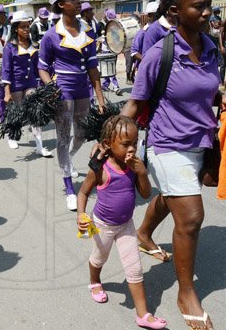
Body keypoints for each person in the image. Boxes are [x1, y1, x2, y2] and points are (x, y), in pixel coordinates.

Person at [120, 0, 226, 330]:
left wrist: (222, 97)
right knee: (190, 217)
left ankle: (143, 234)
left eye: (208, 4)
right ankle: (186, 291)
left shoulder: (212, 47)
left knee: (172, 198)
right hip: (167, 143)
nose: (207, 12)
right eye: (198, 6)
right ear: (176, 11)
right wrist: (111, 140)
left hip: (202, 140)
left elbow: (207, 87)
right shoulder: (160, 53)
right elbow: (136, 101)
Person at [77, 116, 167, 330]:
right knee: (99, 258)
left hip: (126, 226)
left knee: (134, 268)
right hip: (102, 225)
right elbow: (82, 192)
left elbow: (145, 194)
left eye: (135, 143)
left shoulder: (134, 167)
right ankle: (95, 282)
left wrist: (142, 172)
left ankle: (143, 315)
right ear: (108, 144)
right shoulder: (100, 168)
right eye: (126, 144)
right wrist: (81, 214)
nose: (132, 149)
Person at [38, 0, 106, 211]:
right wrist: (50, 87)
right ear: (62, 4)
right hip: (63, 90)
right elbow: (42, 67)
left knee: (82, 133)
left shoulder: (88, 30)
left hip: (83, 89)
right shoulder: (50, 35)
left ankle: (68, 157)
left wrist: (100, 96)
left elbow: (93, 68)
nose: (79, 2)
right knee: (63, 137)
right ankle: (68, 186)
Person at [2, 10, 52, 156]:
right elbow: (6, 70)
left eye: (27, 26)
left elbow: (38, 67)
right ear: (15, 29)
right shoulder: (9, 47)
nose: (26, 29)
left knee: (35, 112)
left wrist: (45, 85)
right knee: (17, 112)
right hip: (15, 84)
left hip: (30, 82)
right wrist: (7, 92)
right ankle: (11, 135)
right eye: (22, 27)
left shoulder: (33, 44)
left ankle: (39, 146)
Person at [130, 2, 159, 81]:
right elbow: (134, 52)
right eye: (157, 15)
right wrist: (148, 62)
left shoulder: (163, 30)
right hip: (146, 71)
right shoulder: (143, 32)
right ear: (150, 16)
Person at [100, 9, 120, 92]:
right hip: (107, 50)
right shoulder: (103, 25)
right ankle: (116, 87)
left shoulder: (115, 25)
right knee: (110, 69)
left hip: (113, 50)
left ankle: (105, 85)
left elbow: (120, 38)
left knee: (109, 69)